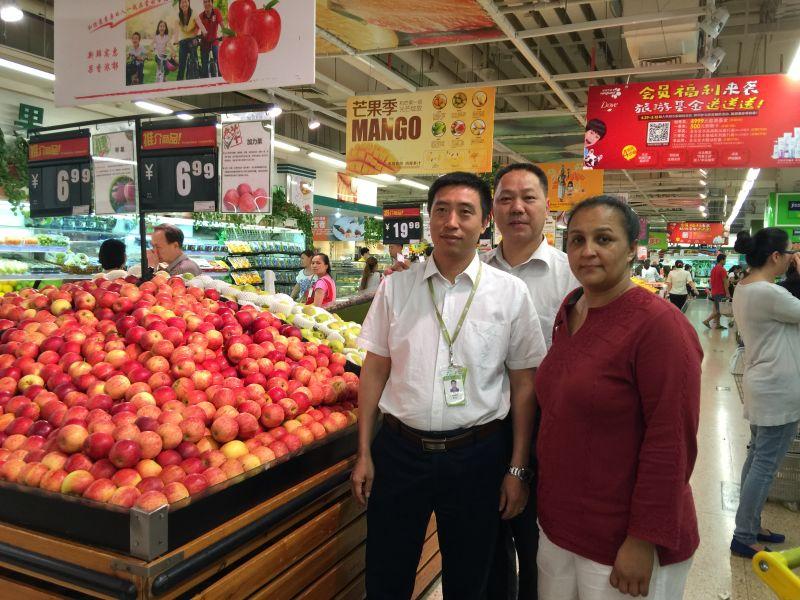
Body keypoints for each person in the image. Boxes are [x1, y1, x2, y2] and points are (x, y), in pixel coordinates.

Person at [351, 171, 546, 600]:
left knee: (471, 577)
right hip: (400, 453)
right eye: (441, 210)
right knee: (386, 573)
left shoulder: (509, 293)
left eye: (465, 211)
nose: (451, 222)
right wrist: (364, 451)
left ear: (484, 222)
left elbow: (523, 384)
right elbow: (375, 369)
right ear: (429, 218)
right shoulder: (395, 288)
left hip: (477, 455)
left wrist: (516, 468)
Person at [536, 195, 701, 600]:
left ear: (631, 251)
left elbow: (671, 441)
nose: (587, 250)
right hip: (559, 526)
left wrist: (644, 538)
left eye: (603, 239)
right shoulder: (570, 309)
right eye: (576, 240)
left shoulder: (660, 326)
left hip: (623, 541)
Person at [483, 162, 578, 600]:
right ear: (493, 211)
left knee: (540, 542)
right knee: (487, 541)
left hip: (550, 427)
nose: (517, 208)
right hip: (482, 425)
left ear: (547, 207)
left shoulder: (572, 276)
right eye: (506, 198)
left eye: (528, 198)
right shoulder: (473, 272)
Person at [730, 228, 800, 559]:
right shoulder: (768, 294)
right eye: (789, 254)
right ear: (776, 257)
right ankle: (744, 534)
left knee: (756, 457)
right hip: (778, 389)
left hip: (763, 384)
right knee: (765, 464)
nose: (792, 259)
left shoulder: (747, 288)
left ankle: (751, 524)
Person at [176, 0, 206, 81]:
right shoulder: (178, 15)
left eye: (186, 2)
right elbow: (176, 30)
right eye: (182, 2)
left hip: (192, 39)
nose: (184, 4)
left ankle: (196, 79)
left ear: (189, 3)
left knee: (195, 61)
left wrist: (204, 32)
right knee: (182, 65)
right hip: (183, 40)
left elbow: (200, 23)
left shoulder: (193, 13)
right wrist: (175, 40)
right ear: (180, 5)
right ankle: (179, 83)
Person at [703, 254, 730, 329]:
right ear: (721, 260)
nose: (725, 261)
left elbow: (711, 281)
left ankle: (718, 324)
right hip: (720, 292)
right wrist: (727, 293)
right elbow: (725, 282)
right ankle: (706, 321)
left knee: (717, 309)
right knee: (719, 310)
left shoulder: (713, 269)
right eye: (725, 259)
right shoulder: (722, 269)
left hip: (714, 292)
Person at [198, 0, 222, 77]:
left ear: (212, 3)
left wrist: (225, 35)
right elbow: (195, 30)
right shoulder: (201, 16)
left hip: (214, 41)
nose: (207, 4)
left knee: (218, 61)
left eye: (209, 1)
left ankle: (221, 78)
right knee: (204, 67)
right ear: (203, 4)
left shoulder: (216, 12)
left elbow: (222, 25)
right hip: (204, 43)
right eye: (205, 2)